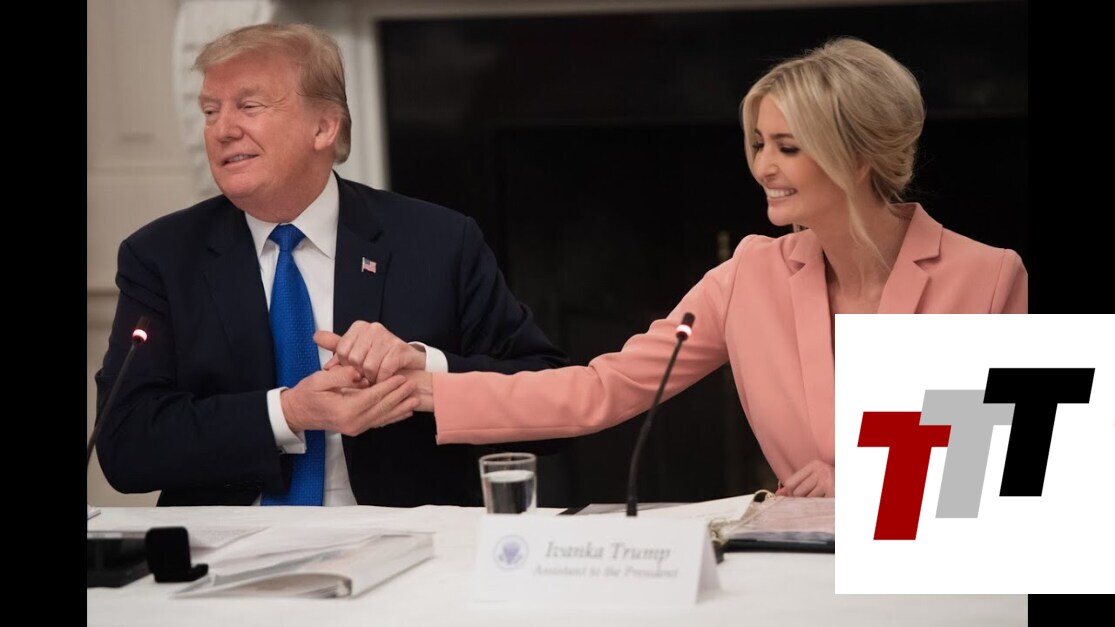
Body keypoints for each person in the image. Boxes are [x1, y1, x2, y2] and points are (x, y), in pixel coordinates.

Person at [327, 37, 1027, 498]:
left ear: (858, 156)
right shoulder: (747, 276)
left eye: (787, 147)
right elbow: (601, 388)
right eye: (758, 143)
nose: (762, 166)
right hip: (800, 569)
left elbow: (1007, 472)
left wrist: (866, 487)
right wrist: (428, 388)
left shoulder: (987, 277)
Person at [93, 23, 567, 507]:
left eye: (249, 106)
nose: (222, 129)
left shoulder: (438, 242)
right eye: (211, 111)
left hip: (401, 535)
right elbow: (123, 444)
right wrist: (287, 414)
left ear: (323, 127)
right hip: (226, 542)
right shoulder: (163, 256)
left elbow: (551, 404)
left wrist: (427, 366)